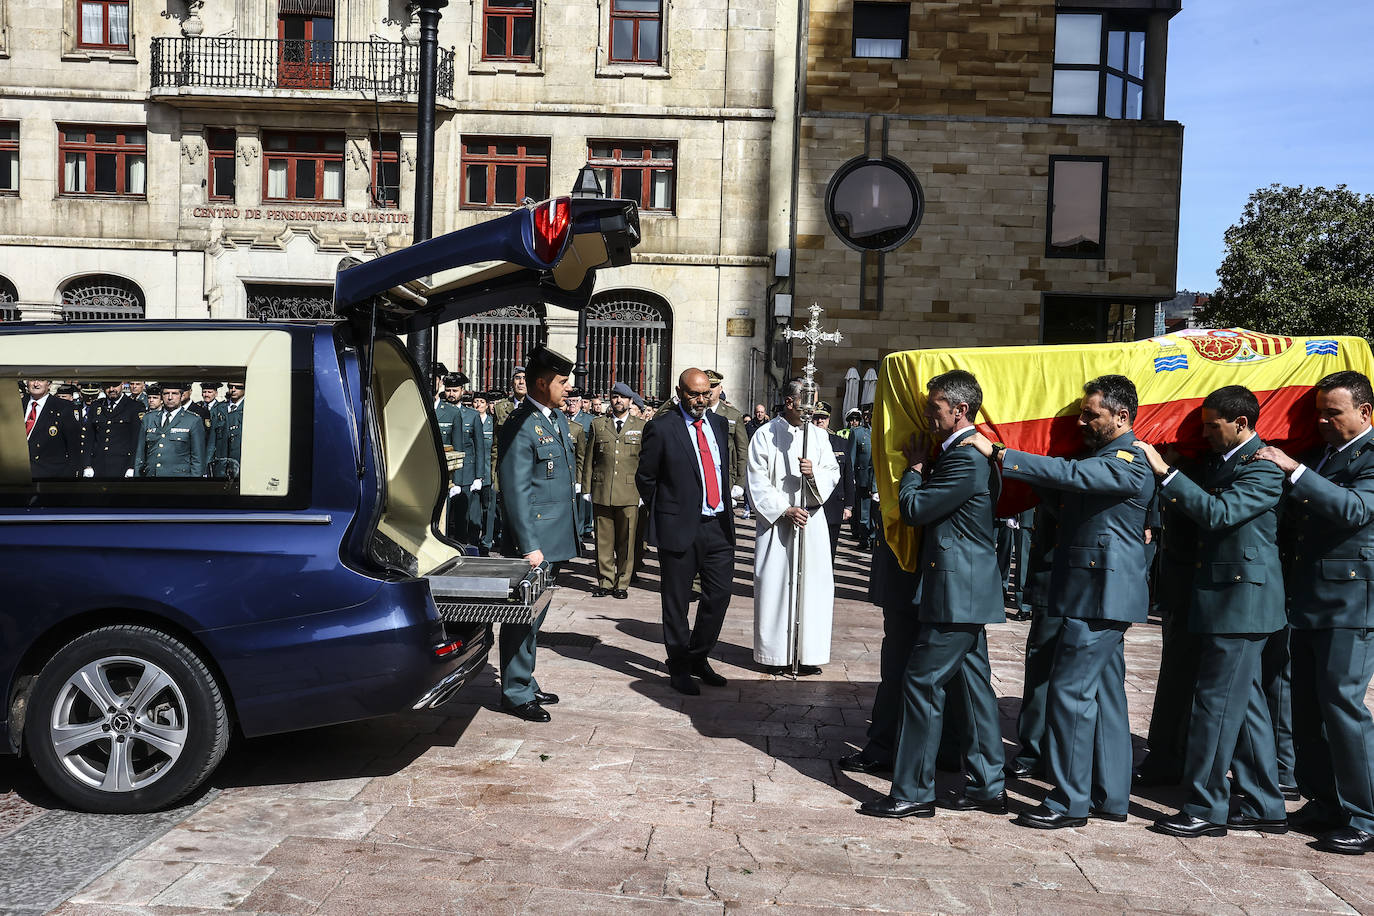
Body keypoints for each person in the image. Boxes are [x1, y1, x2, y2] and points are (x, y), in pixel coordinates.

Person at [966, 374, 1154, 829]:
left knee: (1069, 693)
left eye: (1092, 414)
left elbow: (1074, 476)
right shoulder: (1105, 456)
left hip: (1099, 596)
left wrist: (1002, 452)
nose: (1082, 421)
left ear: (1121, 416)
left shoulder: (1129, 459)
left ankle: (1069, 802)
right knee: (1106, 697)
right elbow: (1068, 492)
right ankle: (1111, 797)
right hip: (1098, 593)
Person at [1136, 385, 1288, 838]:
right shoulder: (1221, 462)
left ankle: (1206, 806)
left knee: (1215, 705)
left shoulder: (1262, 466)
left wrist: (1165, 473)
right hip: (1224, 598)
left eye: (1211, 424)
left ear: (1241, 423)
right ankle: (1265, 802)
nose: (1203, 432)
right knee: (1248, 707)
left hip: (1240, 603)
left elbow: (1220, 514)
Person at [859, 369, 1006, 819]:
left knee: (921, 683)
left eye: (934, 407)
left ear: (960, 410)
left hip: (956, 590)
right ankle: (988, 784)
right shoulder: (960, 452)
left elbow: (915, 509)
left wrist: (914, 470)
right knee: (973, 687)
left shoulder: (964, 458)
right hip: (964, 589)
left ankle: (914, 792)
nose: (926, 415)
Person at [1254, 370, 1374, 855]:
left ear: (1365, 413)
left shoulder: (1367, 456)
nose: (1322, 420)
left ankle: (1365, 814)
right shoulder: (1326, 453)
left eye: (1333, 412)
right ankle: (1326, 800)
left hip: (1351, 603)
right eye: (1318, 412)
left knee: (1343, 707)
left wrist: (1294, 471)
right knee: (1306, 709)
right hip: (1308, 599)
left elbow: (1353, 509)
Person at [636, 368, 736, 695]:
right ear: (680, 392)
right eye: (694, 393)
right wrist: (667, 512)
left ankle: (697, 655)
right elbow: (646, 478)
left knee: (718, 597)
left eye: (706, 393)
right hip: (679, 529)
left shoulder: (719, 425)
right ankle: (678, 665)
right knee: (676, 603)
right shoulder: (662, 427)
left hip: (718, 526)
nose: (701, 400)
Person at [494, 347, 579, 723]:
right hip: (535, 542)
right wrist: (529, 546)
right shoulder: (521, 423)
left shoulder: (554, 418)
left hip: (553, 535)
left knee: (535, 615)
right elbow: (515, 491)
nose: (569, 387)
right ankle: (514, 691)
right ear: (542, 382)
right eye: (562, 381)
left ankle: (524, 679)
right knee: (521, 618)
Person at [747, 380, 840, 674]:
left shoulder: (819, 436)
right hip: (779, 524)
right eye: (806, 402)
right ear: (790, 402)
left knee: (814, 586)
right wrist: (784, 509)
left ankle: (807, 652)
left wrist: (813, 476)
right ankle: (775, 654)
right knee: (776, 585)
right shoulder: (764, 435)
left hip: (812, 520)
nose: (811, 409)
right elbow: (757, 480)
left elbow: (832, 472)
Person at [1006, 501, 1060, 778]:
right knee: (1039, 663)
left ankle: (1042, 751)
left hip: (1068, 578)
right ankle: (1034, 749)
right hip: (1050, 579)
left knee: (1046, 665)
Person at [584, 382, 646, 598]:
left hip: (630, 491)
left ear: (630, 402)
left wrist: (644, 492)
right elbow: (589, 458)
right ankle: (605, 581)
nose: (618, 401)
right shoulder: (598, 425)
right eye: (614, 397)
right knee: (603, 540)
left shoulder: (641, 426)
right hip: (602, 489)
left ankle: (622, 584)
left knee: (627, 541)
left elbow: (645, 462)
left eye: (623, 398)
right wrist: (586, 488)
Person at [440, 373, 487, 544]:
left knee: (462, 517)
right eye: (448, 390)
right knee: (443, 516)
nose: (451, 394)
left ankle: (462, 547)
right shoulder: (441, 412)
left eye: (455, 390)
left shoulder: (472, 415)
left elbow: (479, 446)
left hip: (466, 471)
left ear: (462, 391)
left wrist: (479, 476)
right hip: (445, 470)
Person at [135, 382, 208, 478]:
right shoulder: (149, 418)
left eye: (174, 393)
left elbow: (198, 459)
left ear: (181, 396)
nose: (170, 397)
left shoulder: (193, 420)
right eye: (166, 393)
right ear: (161, 396)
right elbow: (140, 454)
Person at [813, 403, 854, 560]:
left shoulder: (840, 443)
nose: (820, 421)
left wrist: (849, 505)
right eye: (816, 418)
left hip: (834, 505)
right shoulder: (803, 442)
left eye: (823, 418)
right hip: (811, 506)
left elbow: (847, 475)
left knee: (829, 551)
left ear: (829, 420)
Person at [21, 379, 84, 478]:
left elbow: (74, 446)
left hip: (49, 474)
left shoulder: (63, 407)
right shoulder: (19, 404)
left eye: (41, 380)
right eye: (32, 380)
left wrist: (71, 475)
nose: (36, 384)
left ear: (49, 385)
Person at [705, 370, 749, 509]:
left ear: (720, 388)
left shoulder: (733, 415)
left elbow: (742, 450)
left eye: (713, 386)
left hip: (725, 476)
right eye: (707, 387)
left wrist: (740, 482)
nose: (710, 390)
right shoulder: (695, 412)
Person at [83, 380, 141, 478]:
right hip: (98, 465)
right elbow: (89, 438)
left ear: (122, 385)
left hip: (122, 465)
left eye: (115, 385)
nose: (111, 389)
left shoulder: (134, 406)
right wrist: (87, 464)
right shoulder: (96, 406)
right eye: (107, 386)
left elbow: (136, 440)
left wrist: (132, 466)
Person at [564, 388, 594, 542]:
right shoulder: (561, 419)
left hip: (580, 466)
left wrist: (581, 477)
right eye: (569, 400)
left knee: (581, 505)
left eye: (575, 401)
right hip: (564, 469)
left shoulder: (589, 420)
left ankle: (580, 533)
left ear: (582, 403)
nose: (572, 404)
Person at [846, 408, 876, 549]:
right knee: (864, 511)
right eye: (867, 415)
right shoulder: (857, 433)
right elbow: (851, 458)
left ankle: (875, 538)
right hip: (863, 479)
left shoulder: (883, 432)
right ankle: (865, 539)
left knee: (876, 513)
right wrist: (850, 477)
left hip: (879, 480)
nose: (868, 417)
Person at [471, 392, 497, 554]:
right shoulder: (469, 420)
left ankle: (487, 541)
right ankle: (473, 540)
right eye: (475, 401)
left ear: (487, 405)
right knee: (474, 508)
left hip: (488, 472)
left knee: (489, 508)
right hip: (473, 472)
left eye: (481, 402)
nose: (478, 405)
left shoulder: (492, 423)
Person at [215, 381, 246, 477]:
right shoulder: (219, 408)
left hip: (241, 462)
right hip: (221, 463)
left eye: (238, 387)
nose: (233, 390)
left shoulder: (250, 408)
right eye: (230, 386)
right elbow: (212, 439)